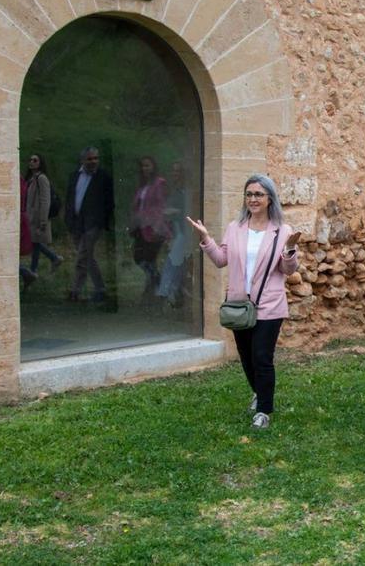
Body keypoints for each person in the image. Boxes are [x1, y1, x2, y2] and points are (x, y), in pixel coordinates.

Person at [188, 174, 301, 429]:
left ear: (270, 198)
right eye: (249, 194)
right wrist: (206, 239)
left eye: (258, 194)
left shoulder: (282, 231)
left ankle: (263, 411)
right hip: (239, 306)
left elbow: (287, 270)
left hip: (269, 305)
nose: (253, 199)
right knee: (246, 356)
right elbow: (221, 259)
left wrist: (290, 250)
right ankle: (258, 392)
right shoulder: (235, 228)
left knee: (262, 357)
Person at [65, 147, 115, 303]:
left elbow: (109, 202)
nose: (93, 161)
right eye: (90, 159)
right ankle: (100, 289)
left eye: (96, 158)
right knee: (88, 257)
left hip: (93, 224)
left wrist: (102, 222)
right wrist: (69, 220)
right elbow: (70, 199)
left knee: (82, 256)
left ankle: (75, 291)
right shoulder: (75, 176)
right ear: (83, 160)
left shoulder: (103, 177)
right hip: (77, 223)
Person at [128, 156, 169, 301]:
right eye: (143, 166)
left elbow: (161, 205)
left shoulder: (159, 183)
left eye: (148, 165)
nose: (145, 168)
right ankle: (156, 282)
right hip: (141, 227)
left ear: (153, 167)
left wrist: (157, 224)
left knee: (149, 259)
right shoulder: (142, 186)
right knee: (139, 258)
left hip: (154, 228)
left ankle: (154, 289)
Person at [155, 161, 192, 309]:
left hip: (186, 234)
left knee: (174, 263)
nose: (175, 174)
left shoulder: (188, 191)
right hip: (178, 233)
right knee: (175, 263)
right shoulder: (176, 191)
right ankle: (168, 294)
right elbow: (167, 212)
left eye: (178, 171)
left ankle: (167, 293)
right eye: (173, 171)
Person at [24, 153, 63, 276]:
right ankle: (35, 269)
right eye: (30, 160)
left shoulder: (42, 178)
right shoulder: (32, 178)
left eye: (35, 160)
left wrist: (43, 220)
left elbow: (45, 200)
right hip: (31, 217)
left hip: (38, 217)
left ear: (40, 163)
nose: (32, 162)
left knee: (35, 242)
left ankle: (51, 260)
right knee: (35, 242)